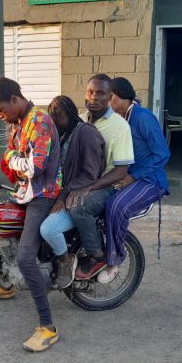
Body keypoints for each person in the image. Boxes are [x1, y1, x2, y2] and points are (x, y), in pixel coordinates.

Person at [0, 77, 62, 352]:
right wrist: (14, 158)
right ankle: (5, 284)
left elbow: (34, 166)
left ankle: (48, 327)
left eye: (1, 111)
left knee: (25, 258)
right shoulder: (16, 123)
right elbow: (11, 152)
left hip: (43, 195)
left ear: (15, 99)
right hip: (24, 191)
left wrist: (13, 160)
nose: (0, 118)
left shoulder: (40, 122)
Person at [67, 73, 134, 281]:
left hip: (107, 184)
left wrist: (90, 187)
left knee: (80, 208)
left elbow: (121, 171)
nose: (94, 97)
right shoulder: (79, 119)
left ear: (109, 97)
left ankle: (97, 255)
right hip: (80, 180)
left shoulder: (120, 126)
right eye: (90, 92)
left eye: (101, 93)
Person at [103, 77, 170, 281]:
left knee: (116, 206)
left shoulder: (142, 118)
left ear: (120, 96)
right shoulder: (119, 118)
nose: (106, 101)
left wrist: (134, 177)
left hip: (150, 180)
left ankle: (115, 260)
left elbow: (162, 153)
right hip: (128, 176)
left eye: (109, 96)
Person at [39, 96, 105, 289]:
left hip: (75, 196)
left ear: (70, 114)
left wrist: (64, 194)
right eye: (52, 117)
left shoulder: (85, 133)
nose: (55, 121)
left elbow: (90, 174)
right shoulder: (62, 135)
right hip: (59, 195)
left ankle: (66, 262)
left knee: (48, 229)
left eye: (58, 116)